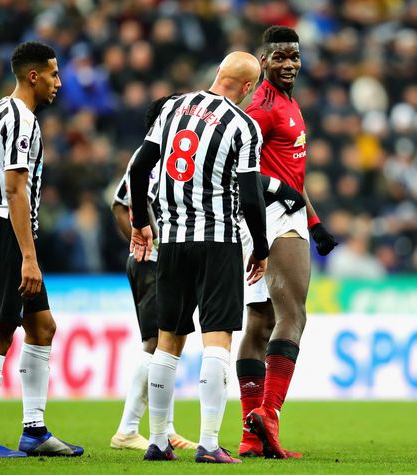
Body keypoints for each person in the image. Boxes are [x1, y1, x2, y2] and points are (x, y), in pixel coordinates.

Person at [129, 51, 269, 464]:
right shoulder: (242, 126)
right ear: (247, 88)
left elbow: (139, 169)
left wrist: (141, 219)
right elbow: (250, 194)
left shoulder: (171, 107)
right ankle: (209, 443)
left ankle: (157, 441)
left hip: (171, 240)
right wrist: (260, 248)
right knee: (217, 340)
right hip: (218, 240)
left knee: (168, 341)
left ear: (218, 73)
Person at [0, 41, 83, 458]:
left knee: (42, 326)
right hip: (3, 228)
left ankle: (34, 432)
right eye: (54, 74)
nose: (58, 83)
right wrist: (28, 255)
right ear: (34, 76)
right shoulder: (21, 119)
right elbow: (14, 189)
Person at [236, 25, 337, 460]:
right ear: (263, 62)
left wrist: (313, 221)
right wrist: (282, 196)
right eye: (279, 57)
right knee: (293, 315)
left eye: (294, 56)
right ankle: (270, 414)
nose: (289, 64)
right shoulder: (260, 107)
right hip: (273, 219)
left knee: (259, 323)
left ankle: (250, 436)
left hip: (280, 217)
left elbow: (288, 173)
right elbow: (235, 166)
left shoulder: (289, 104)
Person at [109, 95, 198, 452]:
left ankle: (167, 427)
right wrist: (142, 238)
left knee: (171, 340)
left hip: (171, 260)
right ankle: (128, 429)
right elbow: (121, 206)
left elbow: (118, 202)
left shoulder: (179, 156)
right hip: (152, 261)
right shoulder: (147, 157)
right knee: (156, 342)